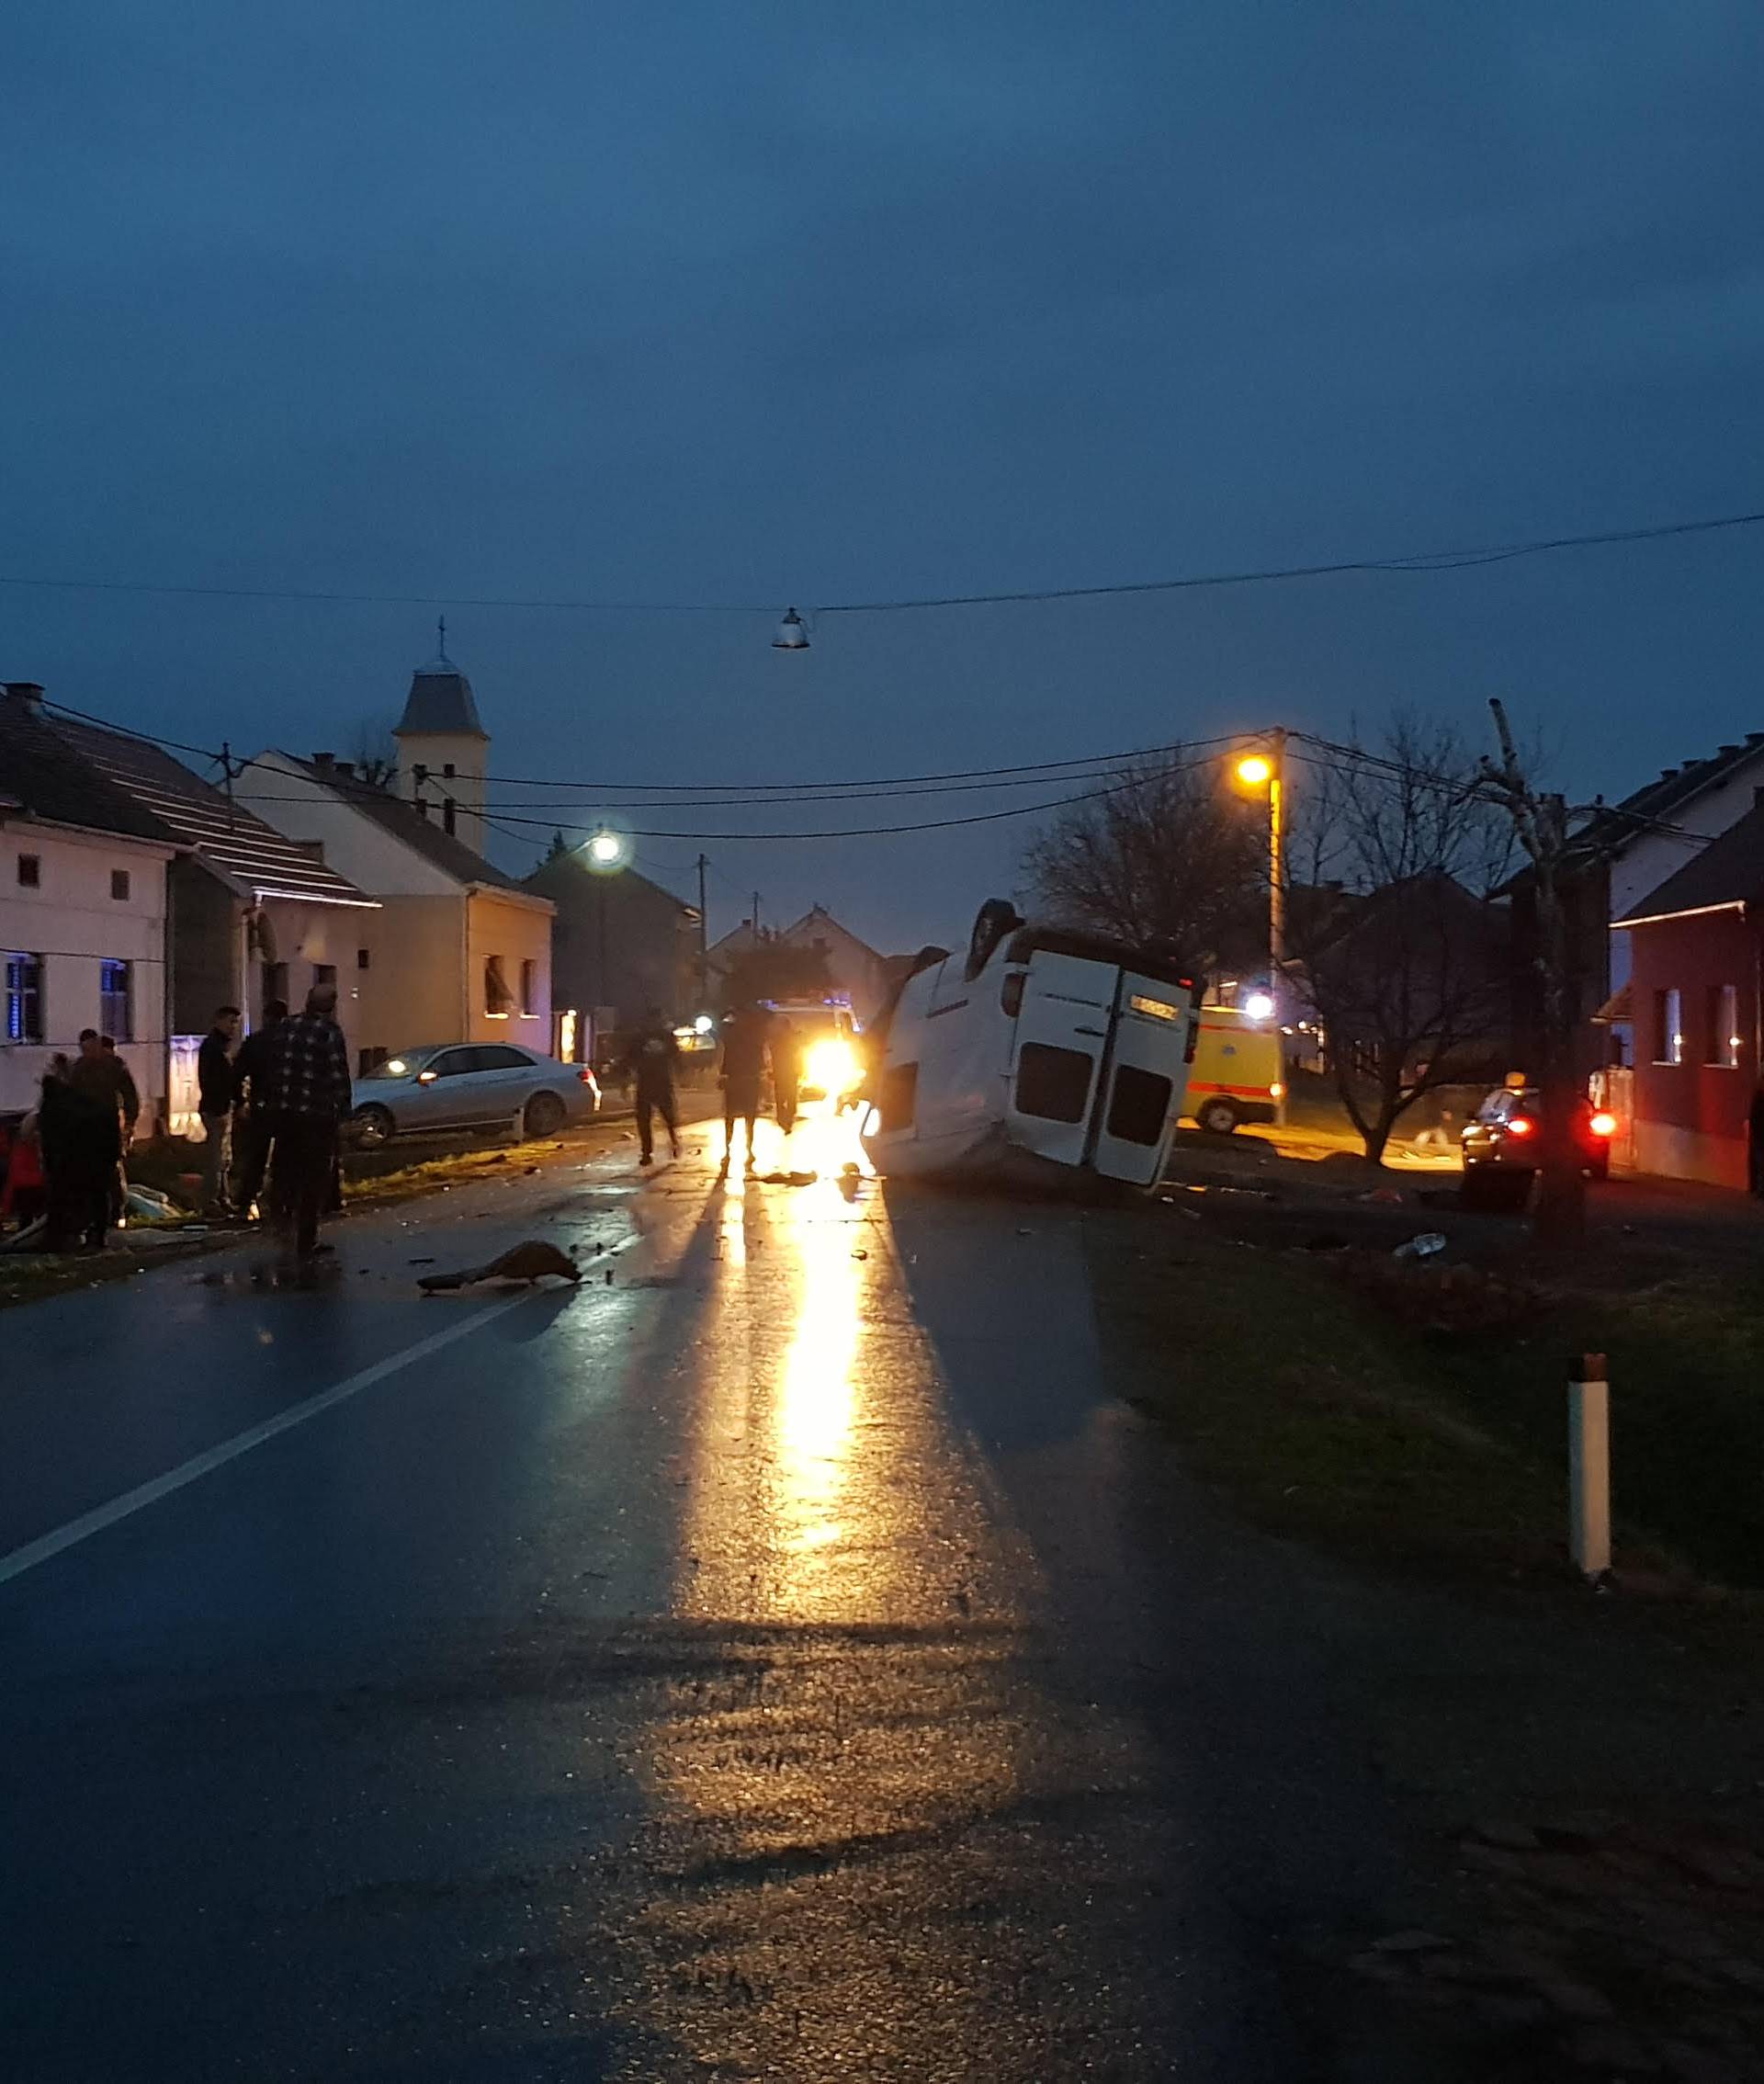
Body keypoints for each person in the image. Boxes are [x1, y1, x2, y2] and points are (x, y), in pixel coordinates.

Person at [261, 982, 352, 1270]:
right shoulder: (329, 1032)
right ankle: (306, 1237)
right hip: (316, 1116)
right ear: (331, 1005)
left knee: (285, 1170)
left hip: (285, 1115)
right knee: (315, 1177)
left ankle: (281, 1221)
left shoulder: (287, 1028)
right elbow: (338, 1076)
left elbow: (272, 1067)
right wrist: (345, 1112)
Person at [38, 1054, 119, 1252]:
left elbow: (50, 1141)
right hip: (99, 1154)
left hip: (72, 1158)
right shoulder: (93, 1100)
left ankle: (60, 1237)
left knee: (63, 1196)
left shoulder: (54, 1106)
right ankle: (97, 1235)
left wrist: (50, 1165)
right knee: (98, 1194)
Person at [229, 999, 288, 1218]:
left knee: (256, 1155)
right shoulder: (290, 1042)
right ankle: (280, 1200)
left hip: (261, 1104)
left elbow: (237, 1073)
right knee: (284, 1155)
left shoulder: (256, 1042)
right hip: (287, 1106)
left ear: (266, 1017)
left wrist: (241, 1101)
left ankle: (248, 1200)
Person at [616, 1007, 683, 1168]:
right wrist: (624, 1081)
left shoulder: (666, 1036)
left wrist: (681, 1073)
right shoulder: (640, 1038)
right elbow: (628, 1059)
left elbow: (677, 1056)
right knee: (644, 1120)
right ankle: (647, 1152)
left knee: (668, 1117)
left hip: (662, 1083)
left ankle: (674, 1142)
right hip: (646, 1083)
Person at [197, 1005, 241, 1214]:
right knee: (215, 1158)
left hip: (222, 1107)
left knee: (223, 1157)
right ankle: (210, 1201)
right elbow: (213, 1080)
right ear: (219, 1021)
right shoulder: (213, 1047)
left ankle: (222, 1198)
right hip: (215, 1108)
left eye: (236, 1022)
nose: (233, 1027)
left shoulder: (222, 1046)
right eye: (231, 1022)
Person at [718, 1002, 770, 1173]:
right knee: (749, 1118)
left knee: (732, 1118)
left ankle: (729, 1151)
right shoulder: (755, 1036)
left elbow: (721, 1029)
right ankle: (746, 1151)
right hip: (747, 1080)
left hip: (737, 1080)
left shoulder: (732, 1034)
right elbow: (761, 1063)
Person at [770, 1014, 802, 1135]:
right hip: (783, 1073)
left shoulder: (792, 1038)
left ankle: (786, 1121)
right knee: (783, 1099)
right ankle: (785, 1121)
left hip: (788, 1073)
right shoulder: (777, 1039)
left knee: (788, 1099)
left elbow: (798, 1055)